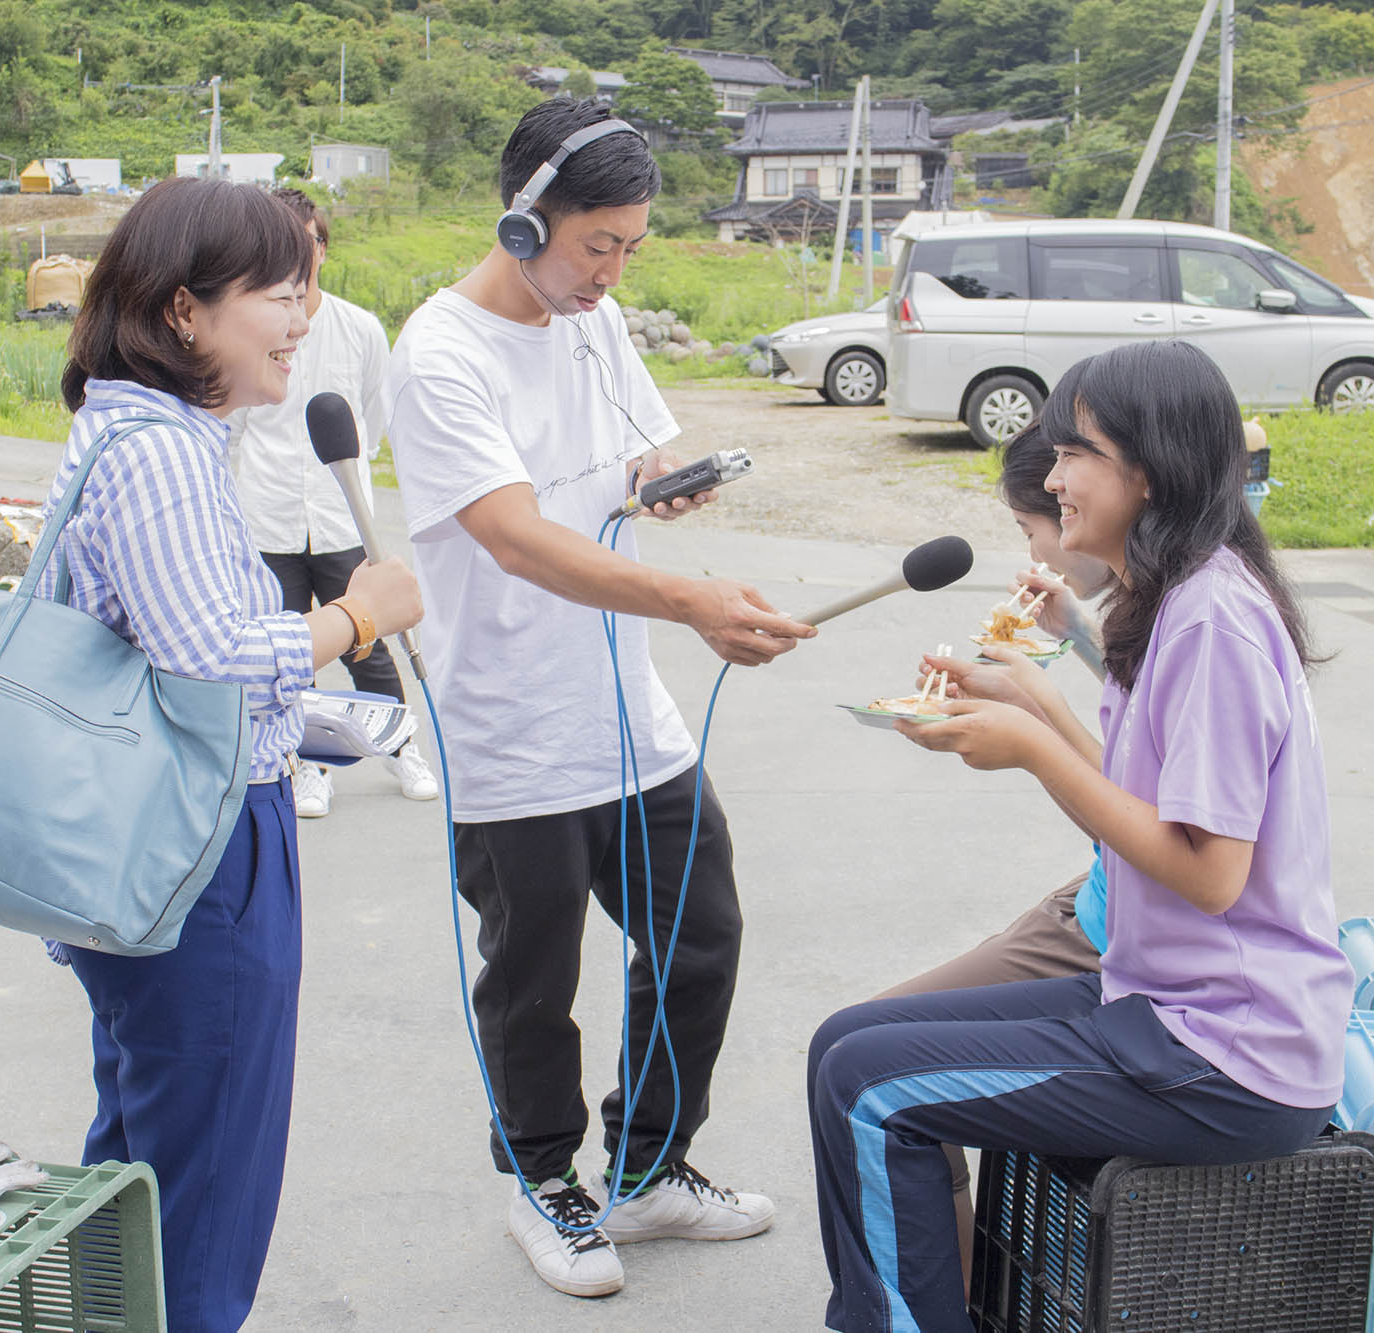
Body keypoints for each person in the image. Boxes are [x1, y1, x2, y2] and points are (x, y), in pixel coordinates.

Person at [806, 339, 1353, 1333]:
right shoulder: (1187, 597)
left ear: (1148, 466)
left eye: (1074, 452)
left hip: (1221, 1055)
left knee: (866, 1085)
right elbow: (1148, 802)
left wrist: (1028, 744)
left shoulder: (1211, 623)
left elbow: (1210, 873)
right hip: (1168, 1012)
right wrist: (1023, 698)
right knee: (844, 1042)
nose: (1052, 477)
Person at [385, 96, 816, 1300]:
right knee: (534, 983)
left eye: (629, 246)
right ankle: (541, 1182)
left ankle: (648, 1168)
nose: (612, 271)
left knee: (699, 940)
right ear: (524, 220)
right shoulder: (440, 355)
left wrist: (659, 484)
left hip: (630, 718)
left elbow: (630, 453)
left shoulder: (593, 319)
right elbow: (513, 537)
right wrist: (684, 596)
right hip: (509, 729)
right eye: (596, 245)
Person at [41, 176, 424, 1333]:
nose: (301, 316)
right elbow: (212, 657)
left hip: (156, 828)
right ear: (183, 311)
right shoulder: (159, 450)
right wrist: (358, 618)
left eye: (307, 285)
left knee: (149, 1153)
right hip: (198, 843)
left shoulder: (130, 427)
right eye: (276, 290)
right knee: (204, 1173)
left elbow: (162, 653)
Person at [866, 422, 1117, 1297]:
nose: (1046, 531)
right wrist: (1053, 660)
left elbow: (1154, 829)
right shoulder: (1165, 607)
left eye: (1043, 512)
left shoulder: (1204, 625)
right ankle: (962, 1291)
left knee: (871, 1061)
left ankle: (957, 1298)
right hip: (1105, 900)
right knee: (861, 1046)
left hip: (1126, 936)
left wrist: (1030, 717)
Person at [229, 186, 438, 814]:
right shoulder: (249, 332)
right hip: (266, 518)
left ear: (323, 249)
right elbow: (231, 429)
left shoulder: (358, 329)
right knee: (292, 654)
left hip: (341, 515)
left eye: (309, 241)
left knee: (365, 644)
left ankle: (403, 746)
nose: (298, 255)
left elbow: (375, 420)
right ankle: (307, 764)